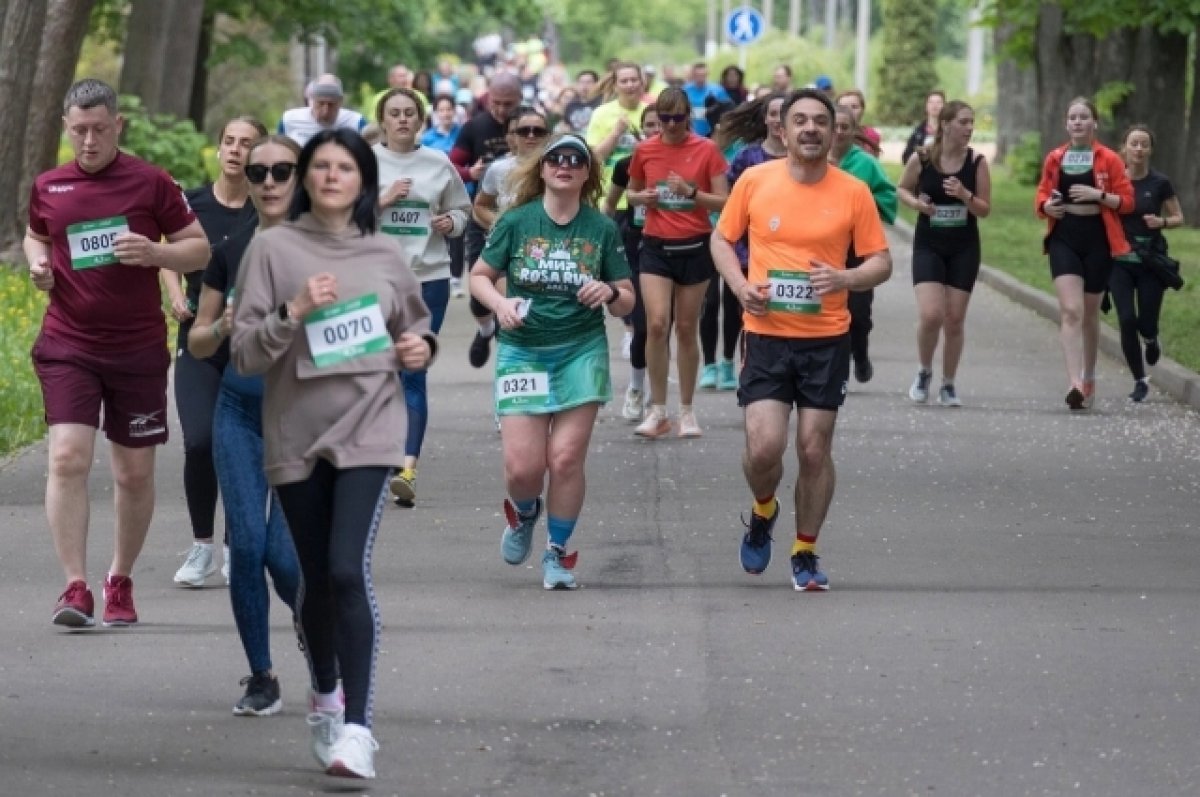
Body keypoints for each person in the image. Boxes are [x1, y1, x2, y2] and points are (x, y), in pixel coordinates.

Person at [231, 128, 436, 779]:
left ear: (362, 180)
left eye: (343, 166)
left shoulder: (383, 253)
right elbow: (244, 351)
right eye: (318, 165)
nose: (329, 176)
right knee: (316, 577)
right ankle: (325, 688)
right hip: (295, 432)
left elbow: (415, 326)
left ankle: (358, 728)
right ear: (304, 179)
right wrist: (292, 310)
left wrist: (417, 350)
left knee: (347, 568)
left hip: (372, 428)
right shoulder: (272, 249)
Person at [26, 78, 210, 627]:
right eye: (79, 130)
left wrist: (156, 251)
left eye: (99, 129)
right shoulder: (49, 186)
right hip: (68, 342)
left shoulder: (151, 183)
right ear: (65, 127)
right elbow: (37, 234)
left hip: (136, 348)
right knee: (66, 457)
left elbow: (198, 249)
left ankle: (120, 579)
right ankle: (75, 587)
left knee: (132, 473)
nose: (88, 141)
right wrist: (38, 265)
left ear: (118, 126)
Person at [711, 88, 892, 591]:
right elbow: (721, 239)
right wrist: (742, 286)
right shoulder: (754, 180)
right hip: (766, 335)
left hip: (826, 339)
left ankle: (806, 550)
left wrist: (845, 279)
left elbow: (881, 261)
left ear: (835, 131)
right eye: (800, 121)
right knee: (765, 448)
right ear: (783, 131)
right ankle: (764, 509)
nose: (810, 129)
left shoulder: (853, 191)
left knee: (814, 450)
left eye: (819, 121)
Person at [469, 134, 634, 590]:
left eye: (575, 160)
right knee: (523, 470)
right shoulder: (517, 222)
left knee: (564, 459)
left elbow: (626, 301)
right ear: (542, 170)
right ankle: (524, 512)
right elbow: (480, 277)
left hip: (581, 350)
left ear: (587, 174)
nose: (564, 165)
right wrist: (500, 306)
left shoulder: (601, 229)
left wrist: (610, 291)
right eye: (555, 159)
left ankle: (557, 553)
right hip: (524, 350)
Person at [187, 134, 302, 716]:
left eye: (283, 171)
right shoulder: (230, 247)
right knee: (248, 544)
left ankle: (313, 620)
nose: (270, 182)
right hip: (238, 410)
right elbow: (197, 338)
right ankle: (261, 676)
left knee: (283, 558)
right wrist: (225, 324)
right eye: (259, 173)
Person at [165, 116, 266, 589]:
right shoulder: (194, 204)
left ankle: (234, 544)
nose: (235, 150)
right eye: (229, 141)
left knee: (242, 449)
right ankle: (202, 545)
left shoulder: (264, 211)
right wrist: (173, 293)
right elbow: (168, 251)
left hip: (250, 346)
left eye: (246, 144)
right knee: (200, 440)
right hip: (199, 341)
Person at [373, 88, 471, 506]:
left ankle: (406, 470)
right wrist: (383, 200)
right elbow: (339, 218)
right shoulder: (364, 164)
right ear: (382, 121)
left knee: (413, 372)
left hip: (427, 280)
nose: (402, 120)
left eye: (409, 113)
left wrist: (451, 222)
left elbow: (464, 213)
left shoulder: (437, 163)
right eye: (394, 114)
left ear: (420, 120)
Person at [626, 88, 729, 438]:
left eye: (677, 118)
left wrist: (691, 194)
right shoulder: (645, 149)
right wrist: (643, 197)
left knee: (686, 328)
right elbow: (630, 192)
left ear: (689, 116)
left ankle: (686, 411)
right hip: (655, 246)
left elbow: (724, 202)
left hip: (695, 246)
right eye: (664, 118)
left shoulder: (706, 149)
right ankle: (657, 411)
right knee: (656, 324)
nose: (670, 125)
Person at [1036, 97, 1134, 410]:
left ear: (1094, 123)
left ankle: (1089, 375)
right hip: (1064, 236)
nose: (1078, 122)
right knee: (1071, 310)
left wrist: (1100, 195)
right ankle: (1074, 383)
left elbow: (1128, 202)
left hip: (1098, 239)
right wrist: (1046, 206)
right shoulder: (1056, 157)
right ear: (1066, 124)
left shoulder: (1109, 159)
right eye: (1073, 118)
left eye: (1084, 117)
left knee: (1089, 314)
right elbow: (1042, 193)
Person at [896, 100, 990, 404]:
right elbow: (902, 189)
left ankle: (948, 383)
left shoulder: (977, 162)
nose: (969, 128)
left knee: (954, 319)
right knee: (931, 313)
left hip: (963, 246)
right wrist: (918, 205)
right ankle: (924, 370)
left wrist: (965, 195)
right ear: (946, 124)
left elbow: (985, 210)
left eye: (971, 122)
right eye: (963, 122)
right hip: (929, 244)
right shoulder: (923, 158)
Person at [701, 93, 788, 392]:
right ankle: (748, 375)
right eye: (773, 114)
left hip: (791, 251)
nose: (778, 120)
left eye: (784, 114)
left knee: (783, 317)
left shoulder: (802, 159)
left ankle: (781, 376)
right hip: (749, 250)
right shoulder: (746, 157)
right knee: (748, 314)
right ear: (765, 119)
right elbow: (731, 207)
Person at [449, 72, 523, 368]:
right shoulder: (475, 126)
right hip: (483, 214)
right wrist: (470, 174)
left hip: (522, 220)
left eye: (509, 104)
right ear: (487, 98)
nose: (502, 110)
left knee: (512, 292)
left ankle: (511, 357)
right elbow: (452, 163)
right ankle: (485, 329)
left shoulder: (530, 125)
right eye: (497, 103)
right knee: (480, 296)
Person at [1110, 125, 1185, 402]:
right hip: (1119, 261)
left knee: (1146, 322)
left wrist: (1161, 222)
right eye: (1134, 144)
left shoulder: (1160, 183)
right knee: (1127, 319)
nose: (1139, 149)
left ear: (1151, 149)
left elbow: (1179, 217)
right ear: (1125, 147)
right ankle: (1139, 380)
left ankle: (1152, 339)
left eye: (1144, 144)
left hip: (1150, 260)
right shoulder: (1114, 180)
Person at [830, 106, 897, 385]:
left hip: (859, 249)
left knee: (859, 312)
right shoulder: (814, 160)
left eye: (846, 127)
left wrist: (864, 200)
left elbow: (888, 197)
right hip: (826, 246)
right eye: (835, 125)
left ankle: (861, 351)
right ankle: (838, 366)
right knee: (832, 310)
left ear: (855, 131)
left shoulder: (866, 164)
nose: (839, 132)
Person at [604, 106, 662, 420]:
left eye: (661, 123)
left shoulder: (683, 165)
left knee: (662, 326)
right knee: (643, 324)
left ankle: (658, 393)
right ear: (642, 129)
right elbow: (611, 205)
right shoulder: (627, 164)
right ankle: (638, 386)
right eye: (650, 125)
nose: (656, 129)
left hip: (674, 249)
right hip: (637, 246)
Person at [422, 95, 467, 296]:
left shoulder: (462, 134)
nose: (446, 113)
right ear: (435, 113)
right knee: (437, 234)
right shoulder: (427, 138)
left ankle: (456, 278)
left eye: (449, 109)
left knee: (456, 235)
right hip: (433, 195)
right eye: (442, 110)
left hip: (461, 191)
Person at [278, 74, 367, 146]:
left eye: (331, 104)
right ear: (312, 99)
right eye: (320, 103)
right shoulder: (289, 120)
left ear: (340, 102)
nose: (325, 111)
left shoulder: (356, 123)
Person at [682, 62, 730, 138]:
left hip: (712, 131)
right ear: (693, 75)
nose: (700, 78)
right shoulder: (685, 90)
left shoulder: (718, 90)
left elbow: (727, 109)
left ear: (707, 74)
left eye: (703, 75)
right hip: (691, 131)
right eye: (698, 75)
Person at [901, 90, 945, 164]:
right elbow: (906, 158)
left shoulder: (950, 131)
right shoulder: (917, 132)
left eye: (938, 102)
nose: (935, 105)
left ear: (944, 106)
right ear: (926, 106)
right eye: (931, 102)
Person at [835, 89, 881, 158]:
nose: (849, 110)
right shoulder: (829, 135)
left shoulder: (871, 135)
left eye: (854, 107)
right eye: (843, 107)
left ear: (862, 110)